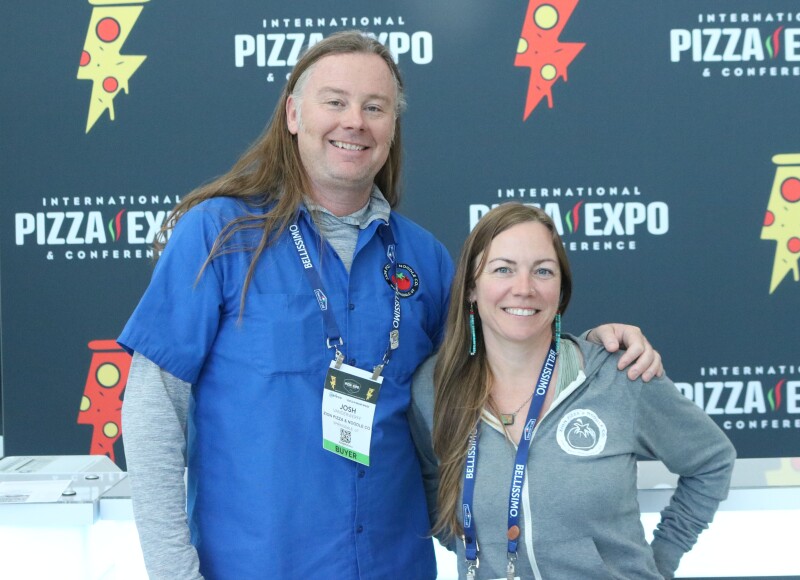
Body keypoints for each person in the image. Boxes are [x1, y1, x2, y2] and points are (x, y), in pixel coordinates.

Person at [118, 31, 664, 579]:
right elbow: (152, 411)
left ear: (391, 128)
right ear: (292, 114)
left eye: (374, 107)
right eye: (335, 101)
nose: (354, 120)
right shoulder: (220, 236)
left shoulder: (424, 258)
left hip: (395, 565)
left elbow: (501, 368)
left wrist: (591, 352)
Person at [409, 203, 736, 579]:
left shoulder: (618, 377)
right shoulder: (435, 388)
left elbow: (712, 461)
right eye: (503, 269)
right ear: (470, 286)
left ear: (560, 289)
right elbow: (432, 482)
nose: (524, 289)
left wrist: (659, 561)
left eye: (543, 271)